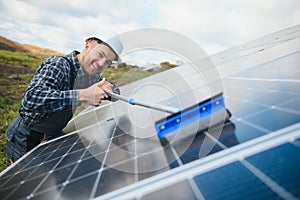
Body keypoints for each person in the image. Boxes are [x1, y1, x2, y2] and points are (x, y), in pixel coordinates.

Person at [5, 32, 123, 166]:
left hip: (52, 135)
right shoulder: (58, 65)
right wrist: (83, 95)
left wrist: (111, 88)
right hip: (28, 138)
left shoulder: (90, 76)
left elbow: (114, 90)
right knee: (23, 178)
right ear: (88, 46)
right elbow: (32, 98)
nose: (102, 64)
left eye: (107, 62)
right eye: (100, 54)